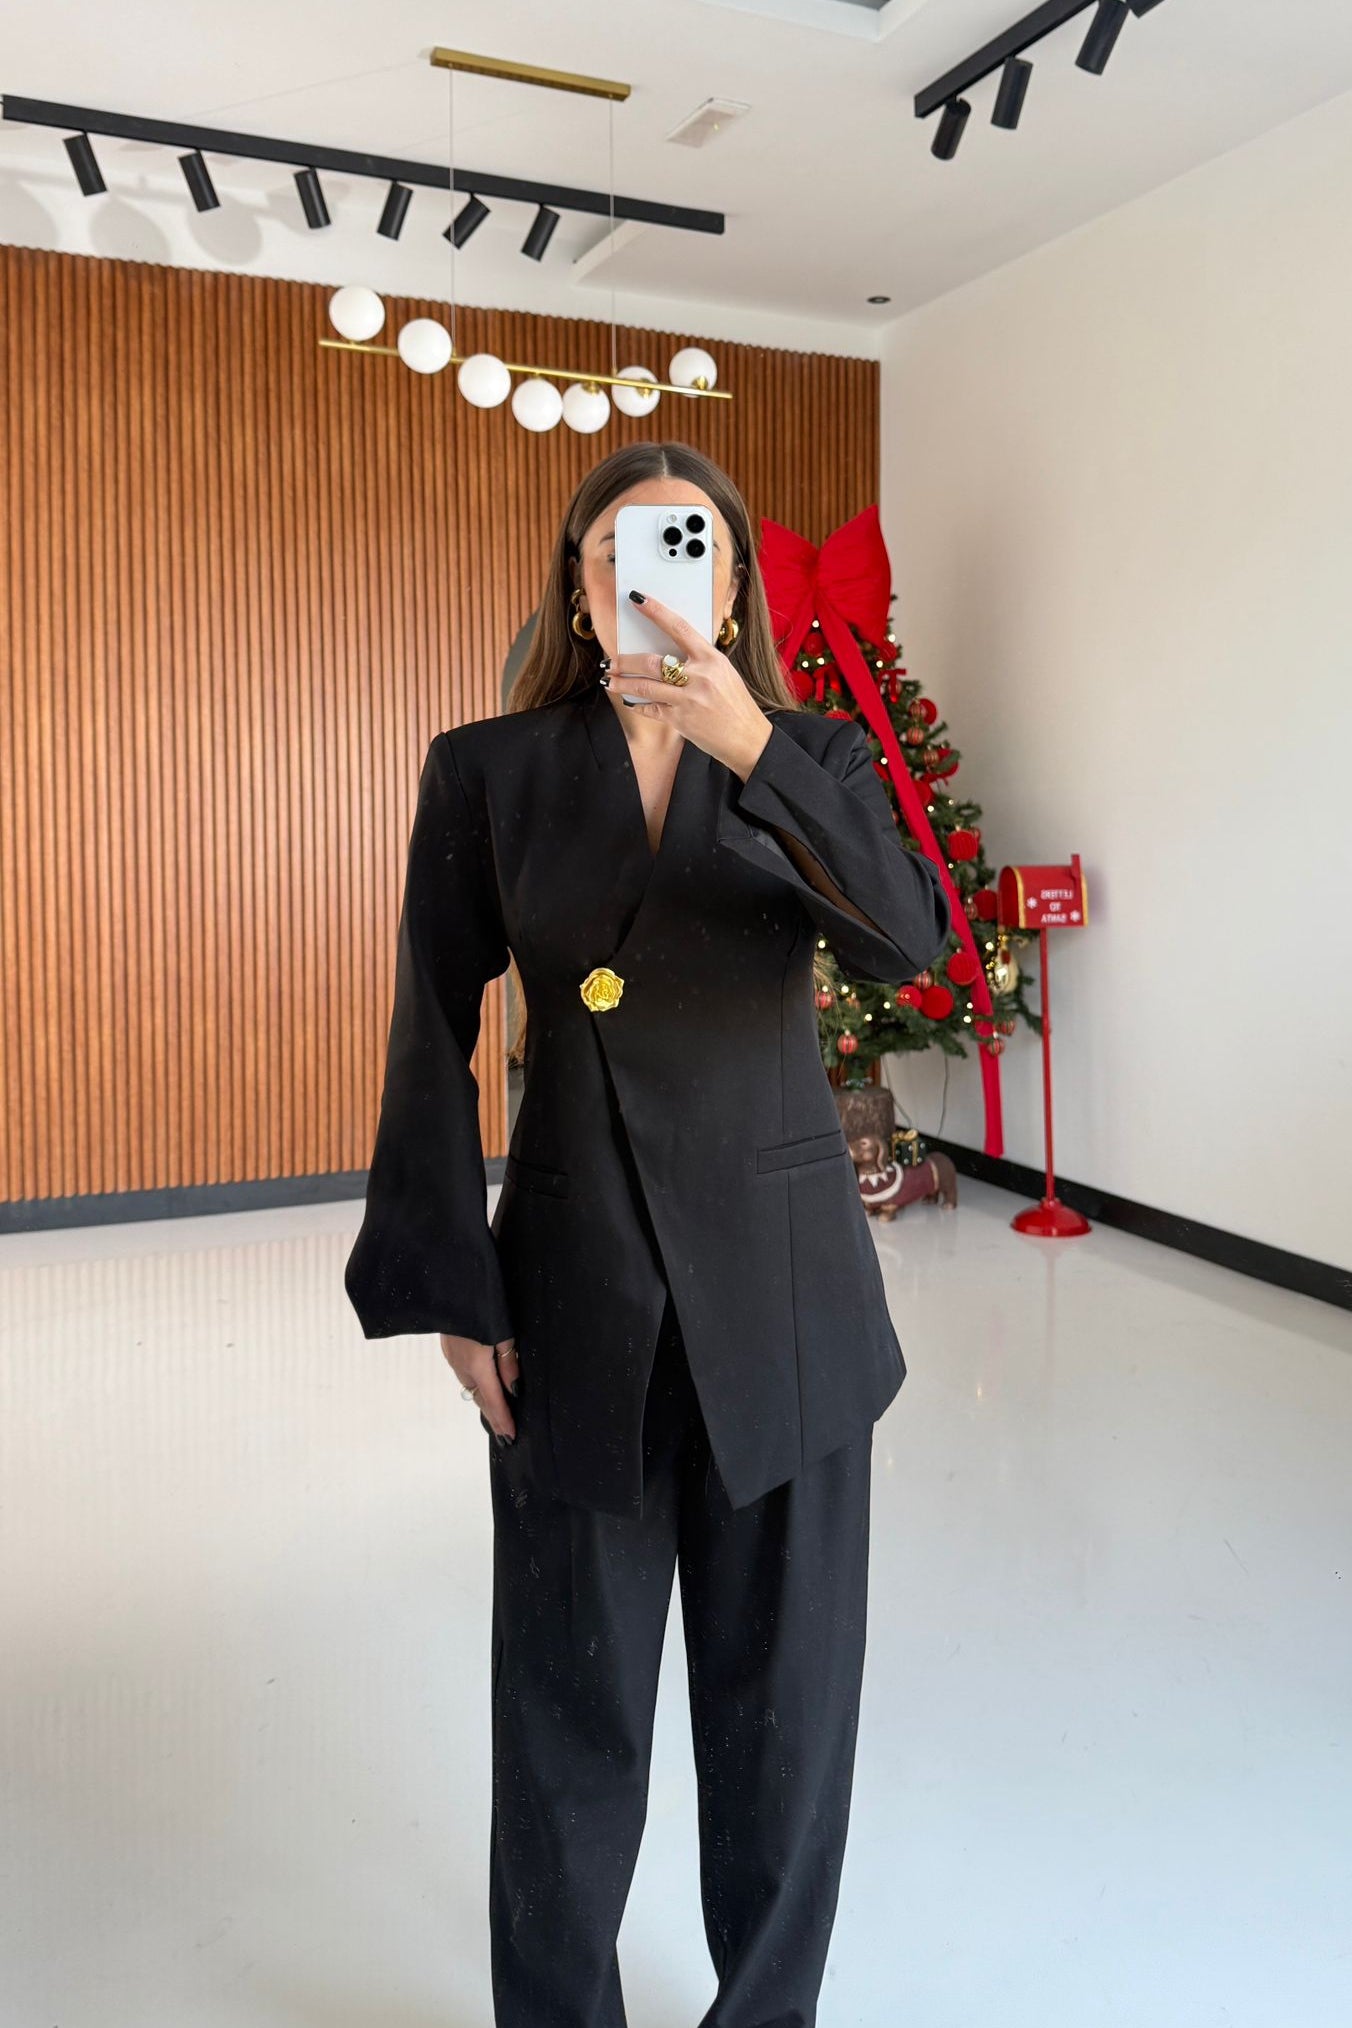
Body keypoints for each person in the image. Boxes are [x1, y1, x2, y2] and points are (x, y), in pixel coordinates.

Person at [345, 441, 952, 2027]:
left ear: (732, 587)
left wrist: (752, 745)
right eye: (616, 551)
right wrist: (452, 1284)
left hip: (790, 1301)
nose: (651, 578)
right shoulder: (489, 771)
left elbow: (911, 945)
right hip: (572, 1291)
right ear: (577, 588)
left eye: (685, 549)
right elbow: (429, 1026)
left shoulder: (812, 757)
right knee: (569, 1716)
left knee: (786, 1721)